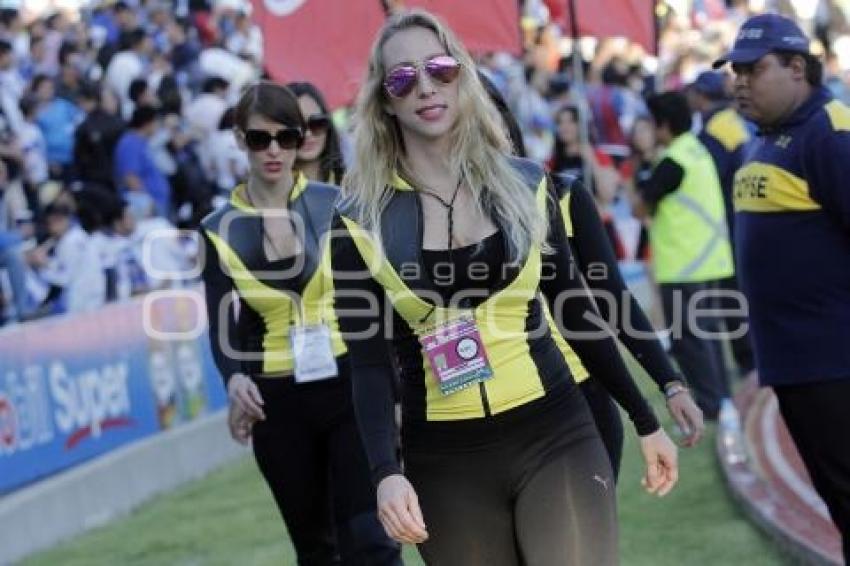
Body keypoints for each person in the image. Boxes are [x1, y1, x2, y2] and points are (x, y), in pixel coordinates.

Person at [331, 10, 678, 564]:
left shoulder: (526, 184)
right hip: (444, 458)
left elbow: (577, 314)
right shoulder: (357, 221)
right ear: (384, 100)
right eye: (402, 78)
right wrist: (385, 474)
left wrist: (645, 417)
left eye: (439, 69)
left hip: (555, 430)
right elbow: (369, 364)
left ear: (462, 77)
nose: (424, 87)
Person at [199, 81, 400, 565]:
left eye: (286, 137)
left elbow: (377, 299)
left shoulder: (334, 202)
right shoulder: (216, 227)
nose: (274, 151)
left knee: (371, 538)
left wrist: (394, 385)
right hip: (277, 399)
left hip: (348, 380)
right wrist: (234, 379)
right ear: (239, 139)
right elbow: (220, 322)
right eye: (258, 139)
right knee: (316, 549)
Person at [484, 74, 704, 476]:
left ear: (501, 121)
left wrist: (669, 383)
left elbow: (612, 296)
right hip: (479, 414)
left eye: (482, 115)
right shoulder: (417, 220)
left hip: (578, 392)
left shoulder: (560, 194)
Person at [715, 13, 850, 560]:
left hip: (835, 362)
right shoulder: (769, 137)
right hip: (795, 364)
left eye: (754, 69)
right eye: (735, 71)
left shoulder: (829, 134)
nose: (740, 81)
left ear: (798, 67)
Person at [634, 91, 735, 421]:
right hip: (710, 260)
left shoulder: (671, 161)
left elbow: (640, 207)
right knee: (708, 338)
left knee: (690, 341)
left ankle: (710, 405)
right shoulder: (697, 150)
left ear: (663, 125)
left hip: (683, 265)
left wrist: (647, 161)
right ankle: (722, 399)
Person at [686, 70, 755, 379]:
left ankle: (747, 360)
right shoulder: (734, 122)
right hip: (746, 215)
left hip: (727, 221)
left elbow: (711, 178)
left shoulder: (712, 132)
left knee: (731, 295)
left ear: (701, 96)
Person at [287, 82, 345, 184]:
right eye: (298, 126)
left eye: (317, 123)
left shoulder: (353, 185)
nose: (308, 134)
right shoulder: (267, 191)